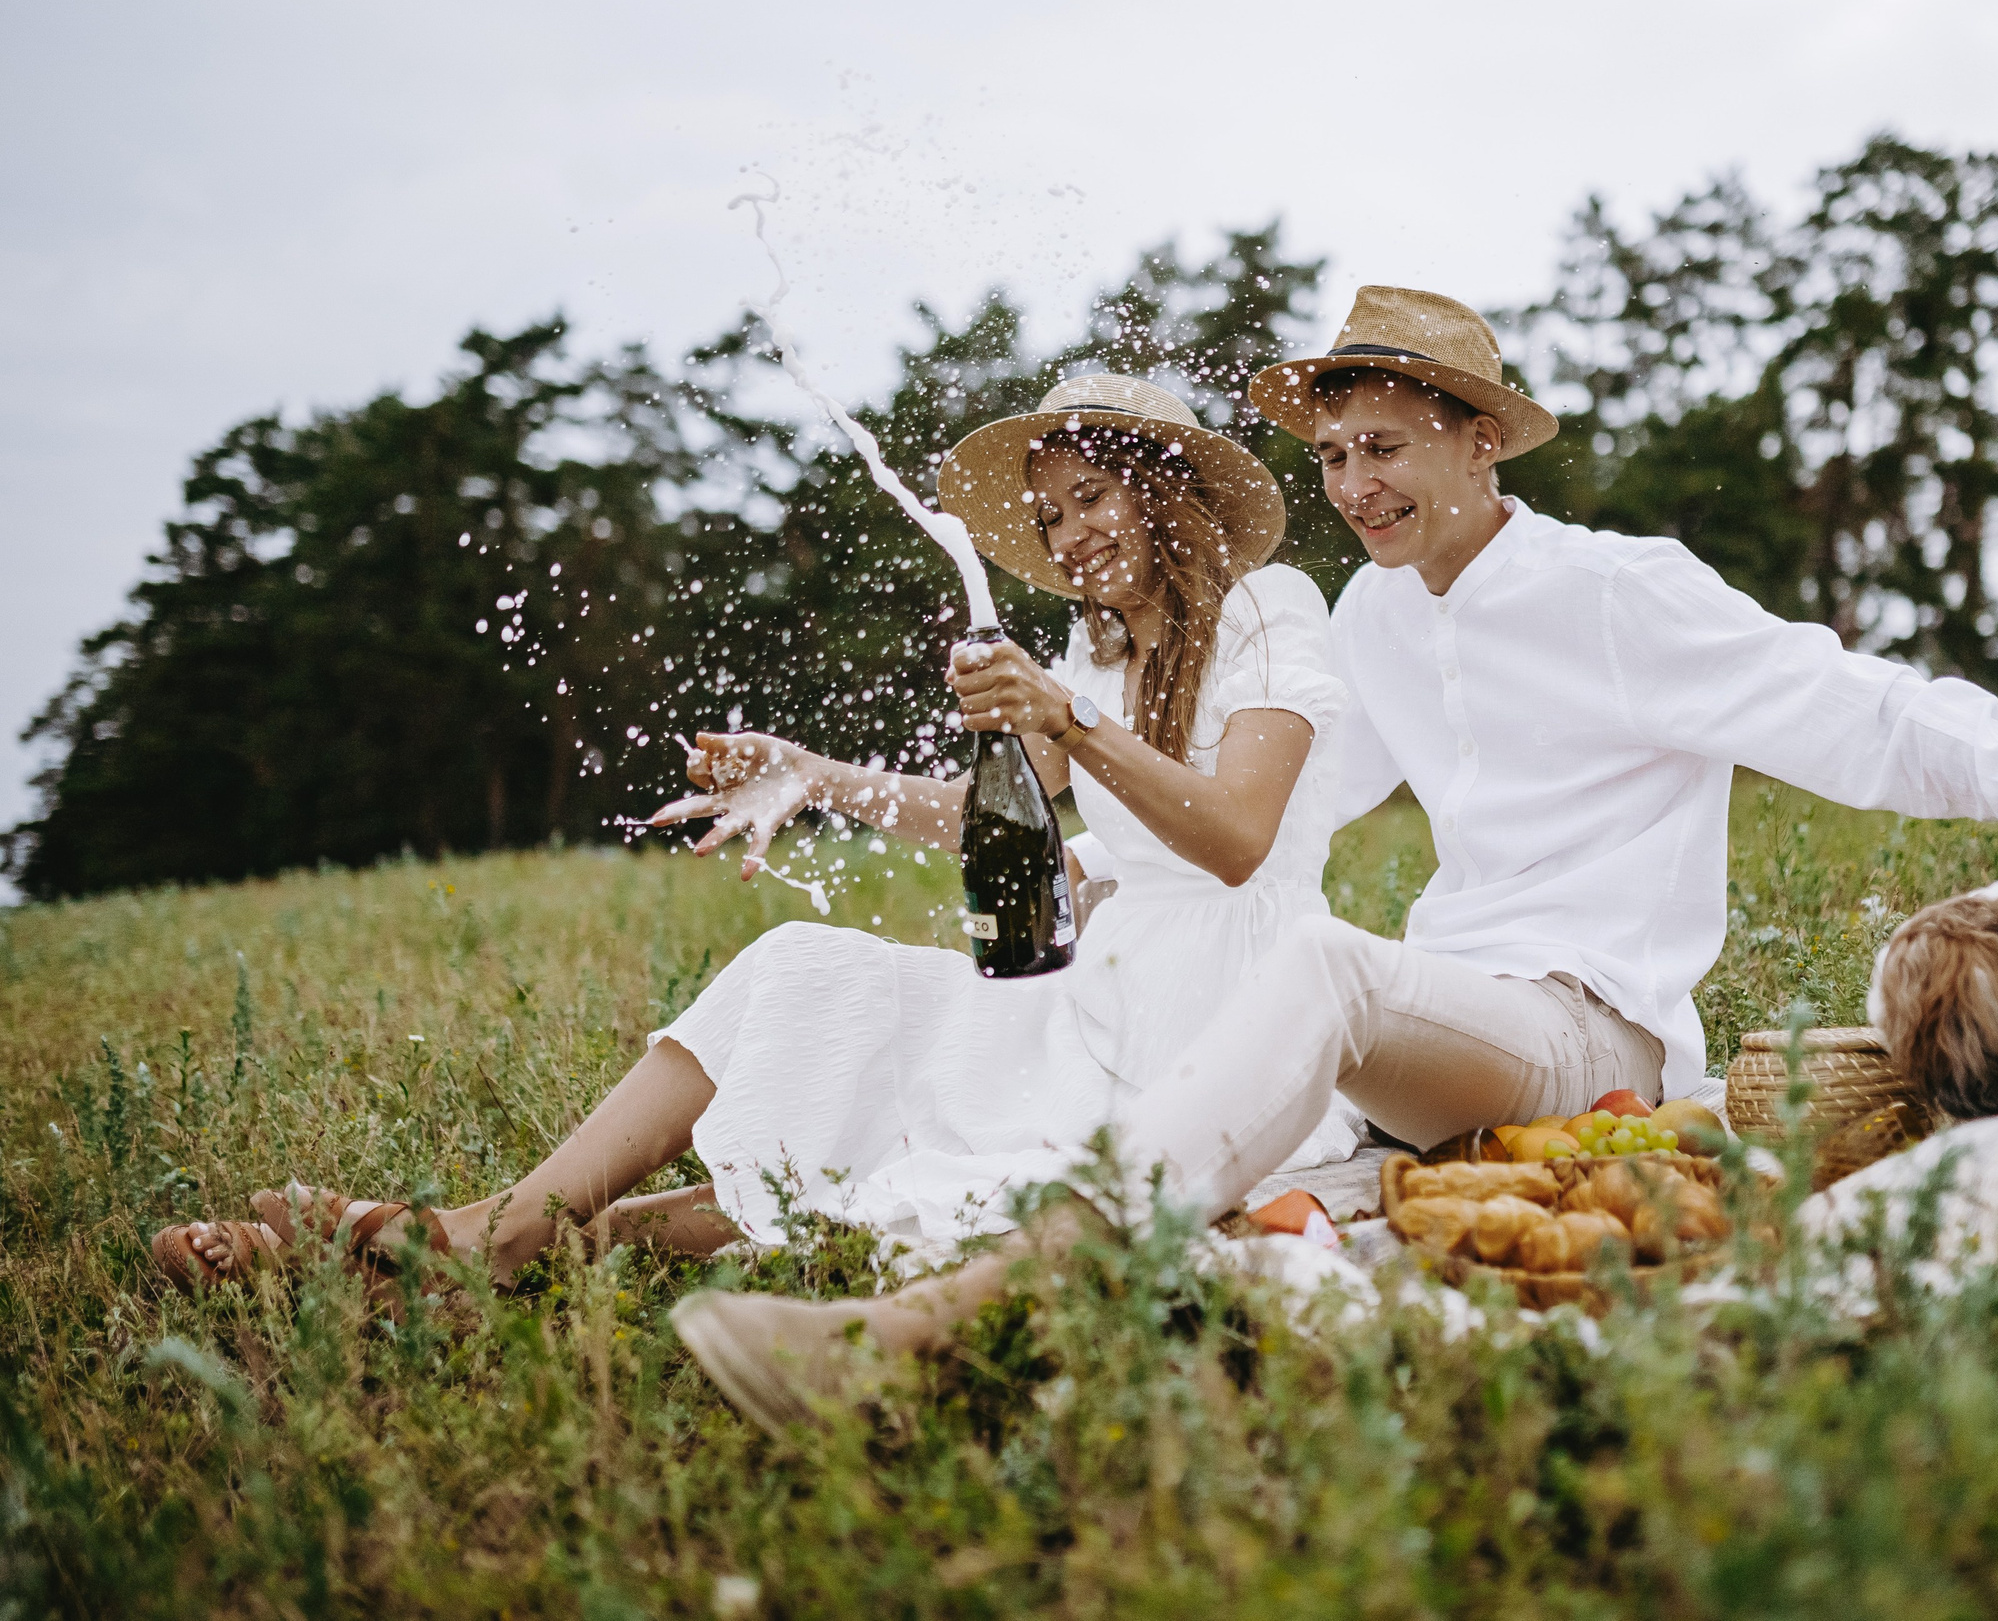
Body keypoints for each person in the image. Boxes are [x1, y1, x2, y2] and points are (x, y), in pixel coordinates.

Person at [671, 287, 1998, 1429]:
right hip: (1447, 1045)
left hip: (1591, 1029)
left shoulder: (1619, 592)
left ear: (1477, 440)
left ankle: (932, 1332)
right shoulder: (1370, 619)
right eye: (1337, 457)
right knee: (1142, 1061)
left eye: (1387, 446)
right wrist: (869, 775)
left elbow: (1876, 717)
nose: (1356, 485)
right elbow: (1255, 822)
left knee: (1319, 968)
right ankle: (687, 1239)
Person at [150, 373, 1355, 1290]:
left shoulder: (1270, 609)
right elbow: (989, 819)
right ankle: (485, 1236)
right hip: (1099, 995)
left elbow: (1239, 836)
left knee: (907, 1177)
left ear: (1163, 485)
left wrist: (1066, 715)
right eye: (1047, 516)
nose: (1067, 533)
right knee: (810, 977)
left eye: (1089, 496)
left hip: (1228, 1013)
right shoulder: (1095, 649)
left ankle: (474, 1246)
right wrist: (814, 772)